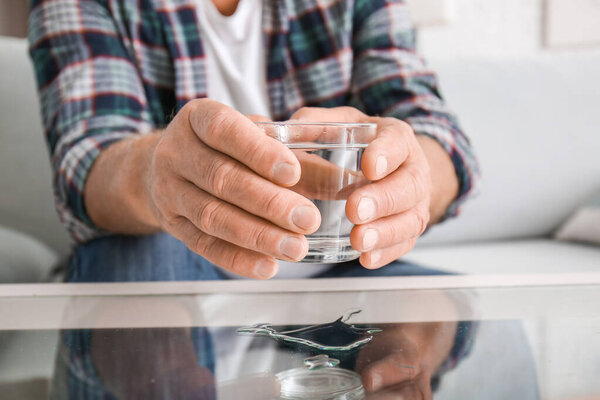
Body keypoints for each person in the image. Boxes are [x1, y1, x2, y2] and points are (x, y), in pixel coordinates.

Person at [29, 0, 479, 282]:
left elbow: (437, 135)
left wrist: (412, 174)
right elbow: (84, 163)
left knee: (473, 325)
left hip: (338, 262)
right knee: (141, 258)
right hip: (169, 259)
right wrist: (156, 174)